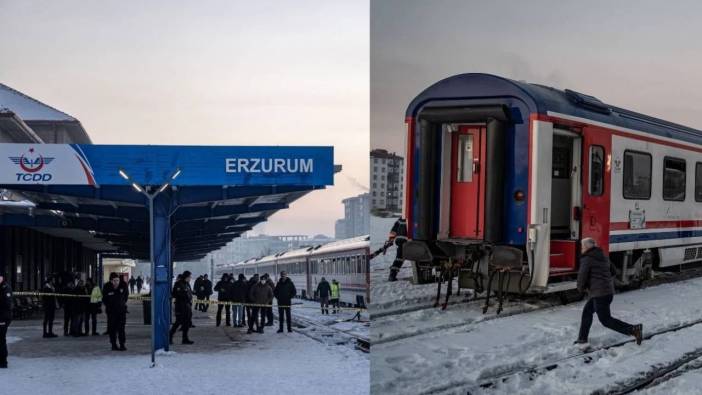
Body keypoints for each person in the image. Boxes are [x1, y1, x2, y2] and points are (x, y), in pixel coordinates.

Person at [575, 238, 643, 345]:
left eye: (583, 247)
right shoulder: (603, 256)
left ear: (587, 248)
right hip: (606, 292)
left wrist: (580, 288)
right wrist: (603, 281)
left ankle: (633, 329)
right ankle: (582, 339)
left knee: (606, 320)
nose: (582, 249)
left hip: (599, 294)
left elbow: (582, 276)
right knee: (587, 312)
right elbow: (613, 271)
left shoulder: (587, 259)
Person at [102, 272, 128, 351]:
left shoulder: (123, 286)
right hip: (111, 312)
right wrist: (110, 306)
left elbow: (126, 296)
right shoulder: (107, 287)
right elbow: (104, 299)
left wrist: (122, 304)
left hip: (121, 311)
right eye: (114, 280)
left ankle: (122, 344)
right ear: (111, 281)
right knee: (112, 329)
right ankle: (113, 344)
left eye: (117, 280)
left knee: (121, 328)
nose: (116, 282)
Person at [169, 271, 194, 345]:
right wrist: (184, 295)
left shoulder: (187, 284)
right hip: (180, 306)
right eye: (189, 277)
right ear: (186, 277)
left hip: (187, 306)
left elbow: (189, 293)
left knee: (186, 323)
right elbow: (175, 294)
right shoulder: (178, 284)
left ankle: (185, 339)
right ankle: (169, 337)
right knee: (178, 322)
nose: (190, 278)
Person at [387, 217, 408, 281]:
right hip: (407, 241)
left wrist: (391, 240)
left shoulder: (400, 219)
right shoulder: (414, 216)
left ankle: (392, 274)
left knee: (399, 258)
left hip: (400, 241)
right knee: (400, 258)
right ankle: (392, 275)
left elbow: (393, 230)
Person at [0, 272, 13, 368]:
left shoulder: (6, 288)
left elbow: (7, 304)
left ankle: (3, 361)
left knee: (1, 338)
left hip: (3, 317)